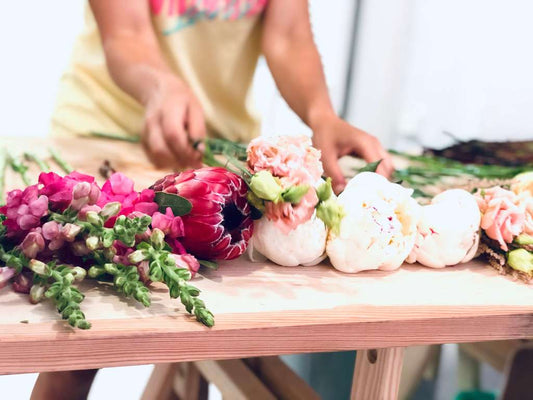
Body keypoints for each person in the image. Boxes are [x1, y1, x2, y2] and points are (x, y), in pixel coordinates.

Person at [33, 0, 393, 398]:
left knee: (197, 330)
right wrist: (161, 86)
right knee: (79, 351)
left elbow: (289, 37)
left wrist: (321, 113)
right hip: (105, 136)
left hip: (217, 150)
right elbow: (125, 33)